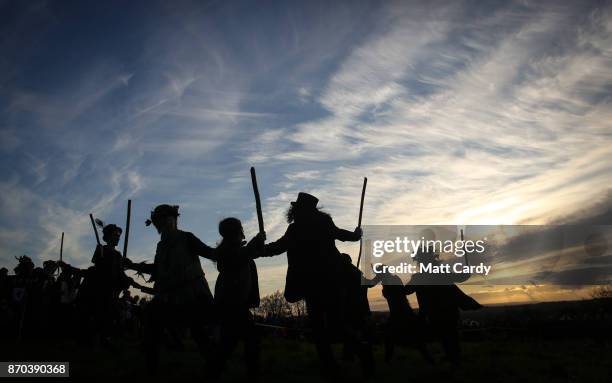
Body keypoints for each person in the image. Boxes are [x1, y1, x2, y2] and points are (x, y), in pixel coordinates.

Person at [264, 192, 366, 376]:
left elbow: (277, 248)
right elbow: (342, 235)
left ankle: (330, 364)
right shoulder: (324, 224)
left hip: (311, 284)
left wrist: (258, 249)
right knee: (337, 323)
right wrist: (356, 235)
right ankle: (359, 352)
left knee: (319, 326)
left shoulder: (295, 230)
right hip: (332, 282)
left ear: (298, 210)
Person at [124, 204, 217, 372]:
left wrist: (231, 250)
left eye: (166, 219)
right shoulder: (161, 246)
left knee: (198, 331)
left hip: (193, 295)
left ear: (173, 219)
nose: (162, 224)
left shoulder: (187, 238)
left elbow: (210, 253)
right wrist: (132, 265)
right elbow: (157, 269)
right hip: (171, 297)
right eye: (158, 221)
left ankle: (214, 364)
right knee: (153, 318)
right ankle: (151, 366)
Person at [404, 229, 482, 368]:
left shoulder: (419, 277)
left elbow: (405, 291)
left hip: (434, 313)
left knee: (446, 337)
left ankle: (453, 361)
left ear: (419, 260)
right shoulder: (441, 273)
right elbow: (462, 277)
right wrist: (467, 270)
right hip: (446, 311)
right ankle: (453, 360)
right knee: (450, 338)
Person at [213, 217, 265, 379]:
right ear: (236, 232)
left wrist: (259, 244)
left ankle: (213, 370)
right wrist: (257, 240)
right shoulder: (228, 251)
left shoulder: (234, 249)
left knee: (230, 342)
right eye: (240, 228)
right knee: (249, 339)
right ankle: (252, 373)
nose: (243, 231)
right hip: (232, 303)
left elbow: (249, 253)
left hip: (234, 303)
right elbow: (242, 255)